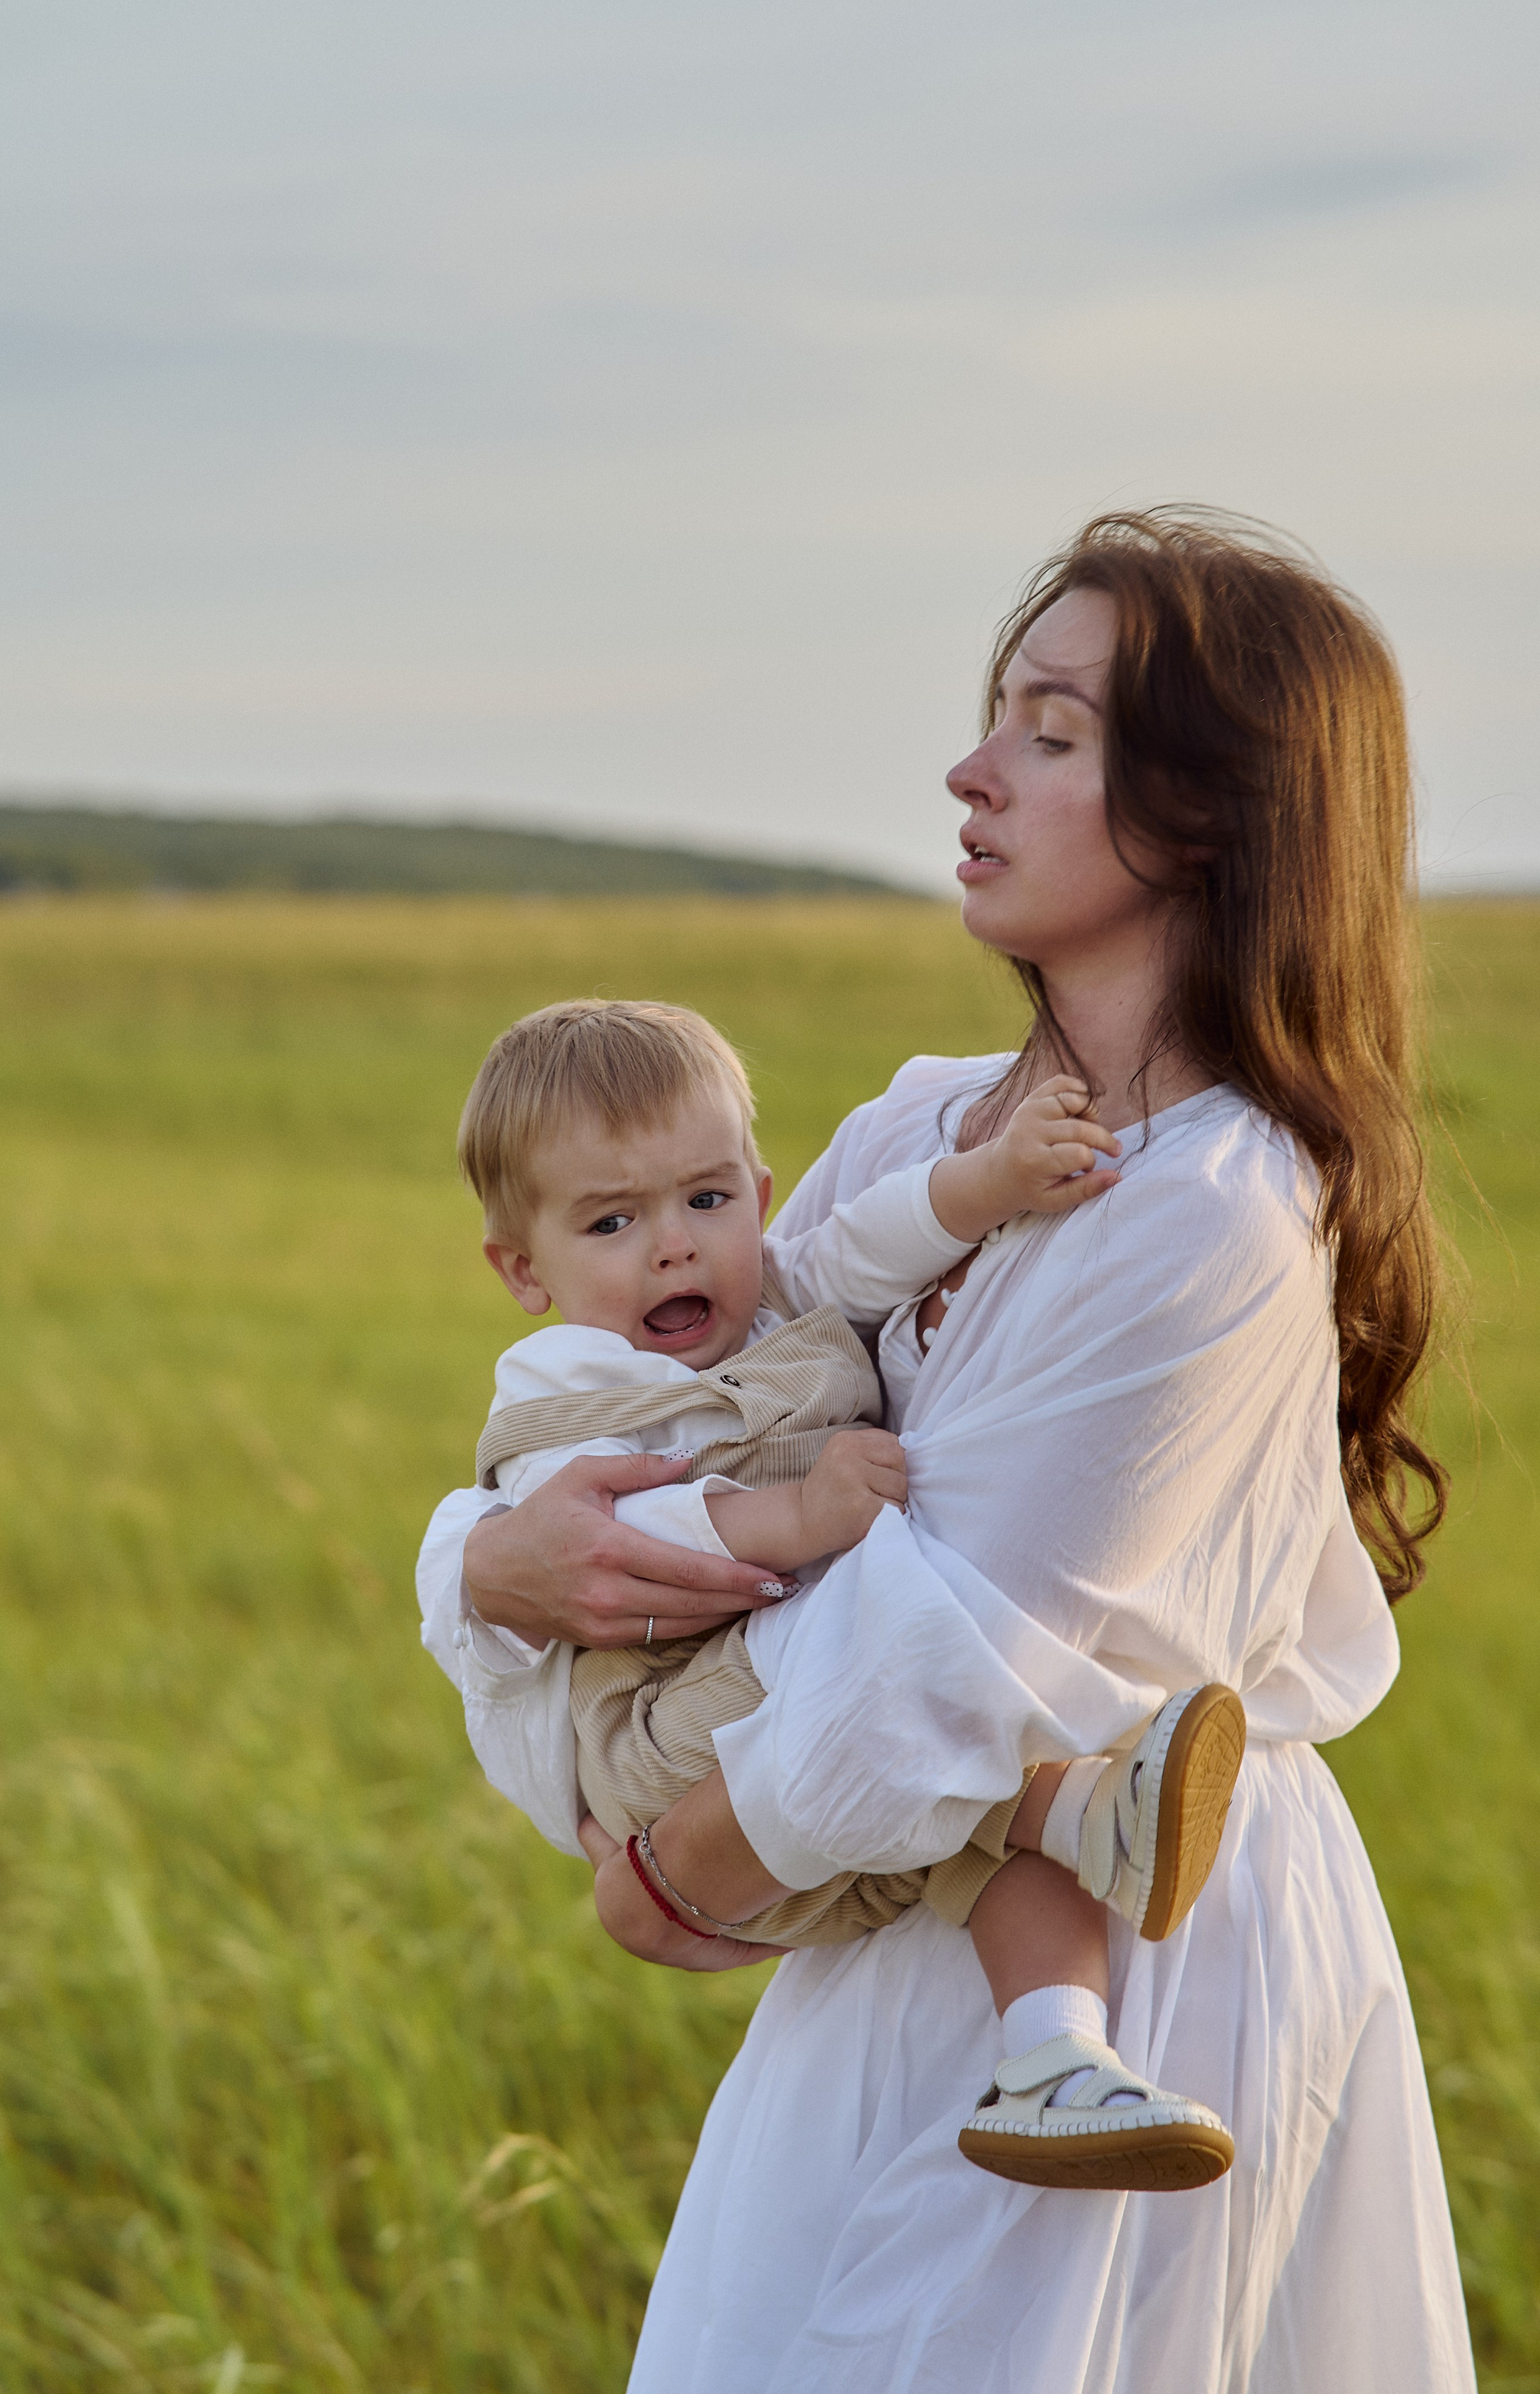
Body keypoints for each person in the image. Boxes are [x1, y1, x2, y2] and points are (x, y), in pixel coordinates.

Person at [421, 508, 1476, 2392]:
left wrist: (651, 1876)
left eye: (1053, 733)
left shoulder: (1214, 1210)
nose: (970, 770)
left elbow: (941, 1670)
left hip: (1130, 1961)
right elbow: (659, 1391)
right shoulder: (920, 1120)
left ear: (1217, 811)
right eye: (1000, 713)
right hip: (892, 1932)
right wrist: (476, 1561)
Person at [432, 994, 1244, 2189]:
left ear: (759, 1197)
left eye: (707, 1199)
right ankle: (1077, 1812)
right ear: (523, 1269)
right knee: (892, 1655)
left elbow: (880, 1236)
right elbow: (612, 1536)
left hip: (782, 1715)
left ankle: (1058, 2058)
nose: (675, 1244)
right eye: (612, 1220)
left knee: (973, 1820)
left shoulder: (775, 1293)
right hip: (658, 1733)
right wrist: (797, 1517)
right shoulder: (569, 1375)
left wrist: (998, 1177)